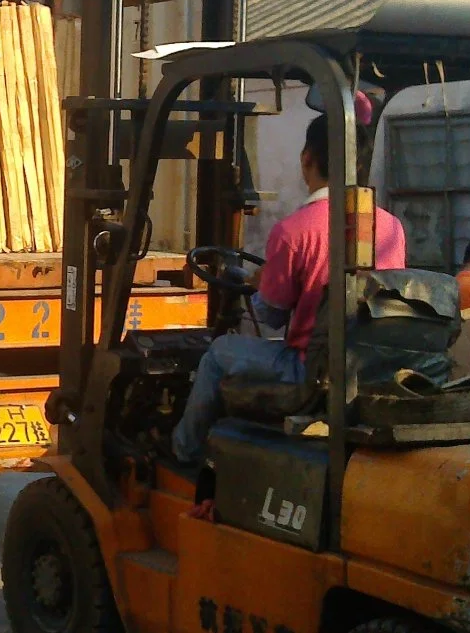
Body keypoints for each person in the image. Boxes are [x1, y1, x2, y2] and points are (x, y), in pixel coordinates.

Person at [170, 108, 406, 465]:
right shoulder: (390, 228)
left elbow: (272, 315)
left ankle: (182, 453)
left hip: (307, 368)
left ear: (306, 158)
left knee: (218, 353)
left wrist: (262, 283)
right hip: (371, 366)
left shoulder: (293, 231)